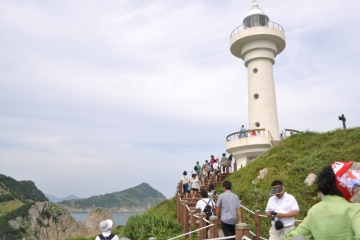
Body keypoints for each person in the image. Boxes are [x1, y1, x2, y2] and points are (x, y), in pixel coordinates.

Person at [284, 161, 360, 240]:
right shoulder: (354, 210)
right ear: (341, 184)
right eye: (347, 178)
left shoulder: (314, 211)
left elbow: (294, 236)